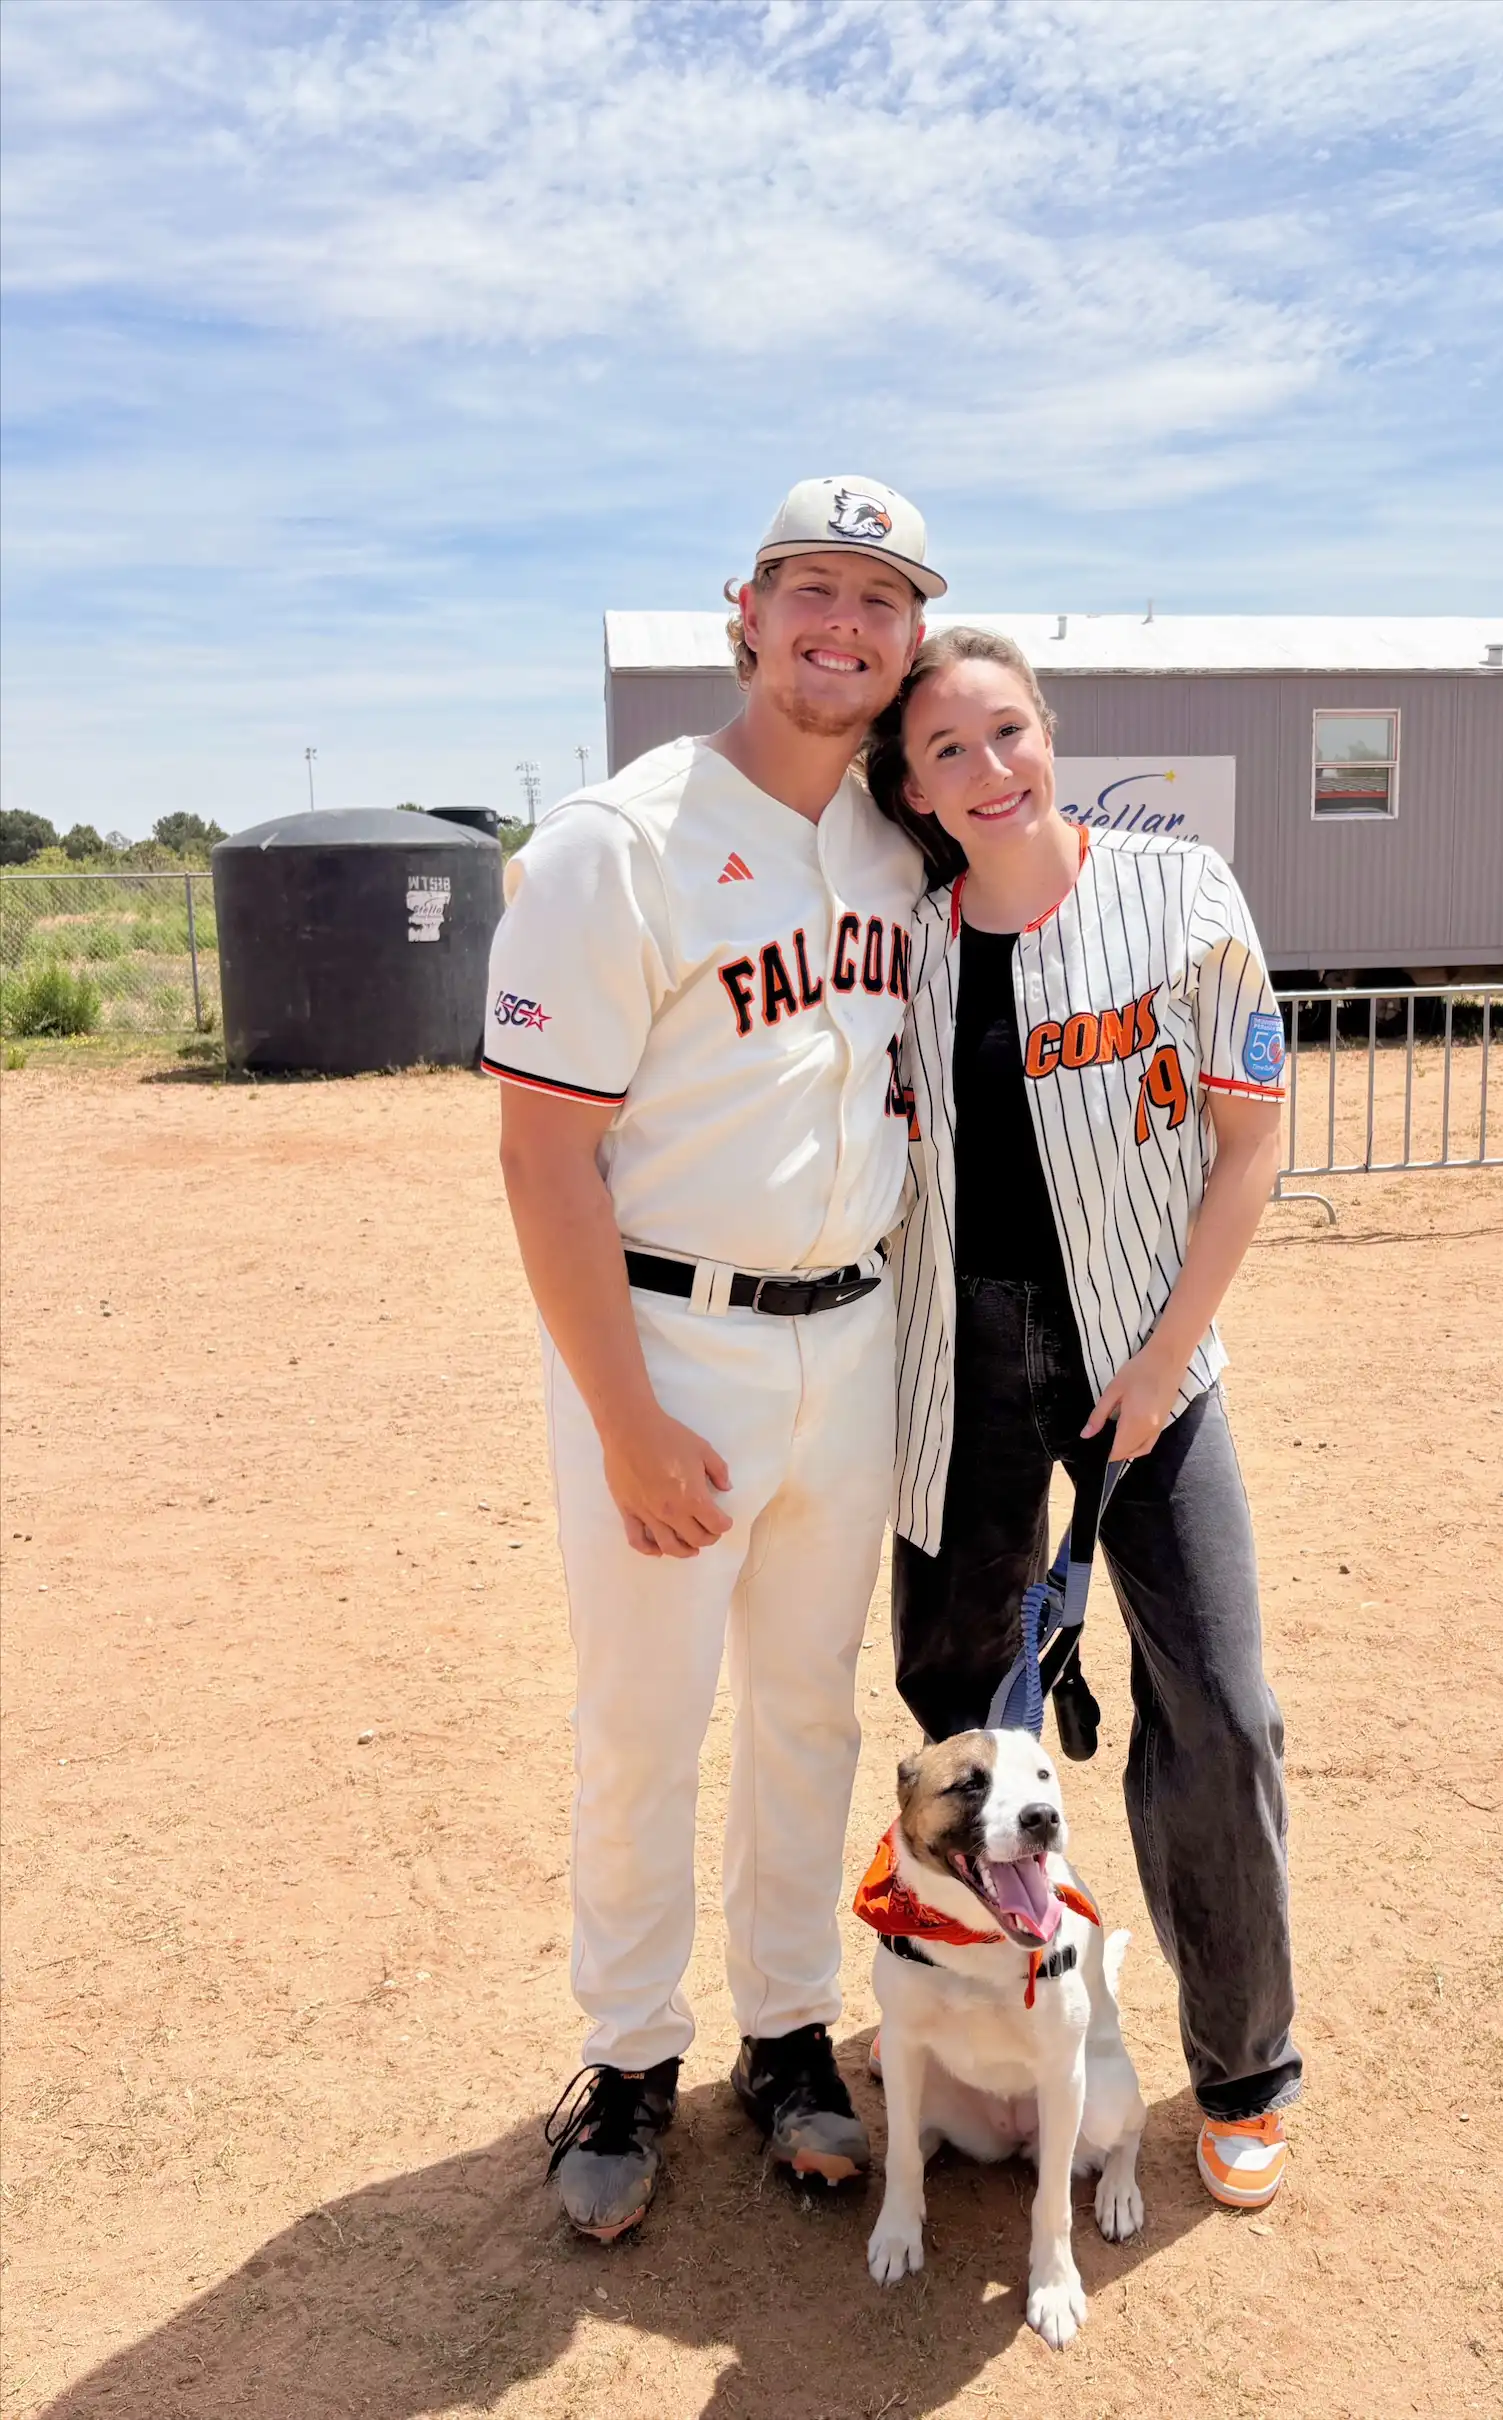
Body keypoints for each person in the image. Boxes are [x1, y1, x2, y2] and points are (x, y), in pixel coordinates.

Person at [485, 477, 943, 2241]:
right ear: (741, 610)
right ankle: (620, 2052)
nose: (846, 626)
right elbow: (541, 1155)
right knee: (648, 1714)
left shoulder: (905, 847)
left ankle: (784, 2030)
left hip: (856, 1327)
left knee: (812, 1710)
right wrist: (625, 1420)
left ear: (913, 639)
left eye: (883, 601)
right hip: (671, 1338)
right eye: (813, 589)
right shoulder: (622, 837)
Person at [868, 625, 1301, 2210]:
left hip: (1151, 1353)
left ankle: (1245, 2066)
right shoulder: (902, 942)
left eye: (1008, 732)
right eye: (947, 752)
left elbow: (1251, 1139)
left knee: (1221, 1706)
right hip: (959, 1364)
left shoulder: (1175, 894)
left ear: (1053, 732)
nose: (990, 771)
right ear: (912, 790)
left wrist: (1162, 1350)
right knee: (962, 1712)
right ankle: (979, 2025)